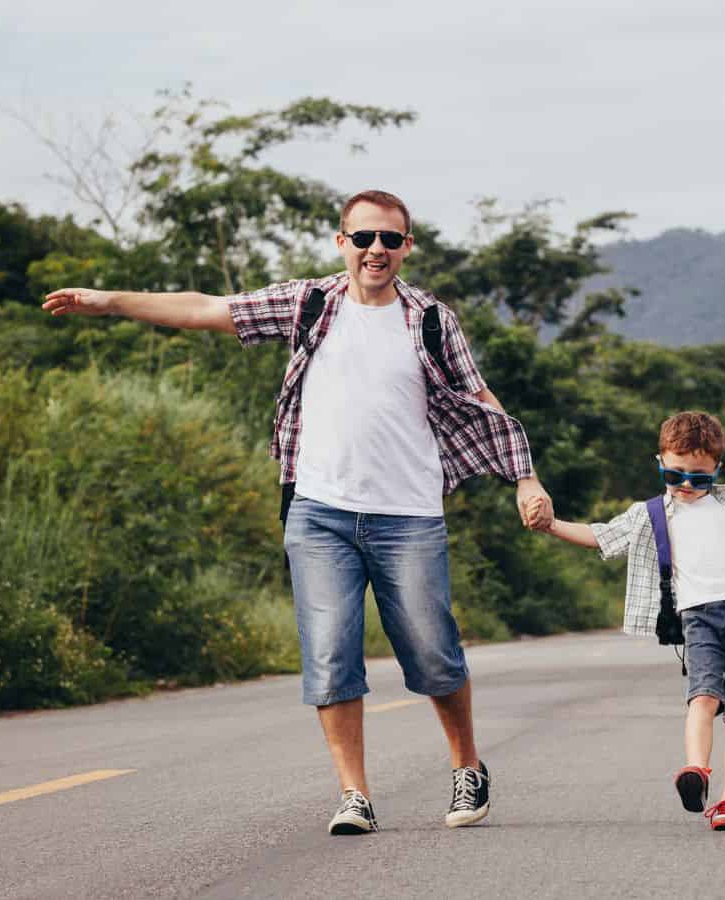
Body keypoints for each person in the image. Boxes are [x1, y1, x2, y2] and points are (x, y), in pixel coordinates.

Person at [42, 189, 555, 835]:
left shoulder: (429, 318)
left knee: (432, 653)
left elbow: (478, 397)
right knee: (330, 655)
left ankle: (466, 766)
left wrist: (524, 477)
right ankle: (354, 794)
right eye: (364, 238)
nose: (376, 251)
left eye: (390, 241)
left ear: (406, 247)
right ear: (342, 242)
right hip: (318, 514)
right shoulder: (309, 304)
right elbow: (205, 309)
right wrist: (107, 300)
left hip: (409, 515)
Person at [533, 411, 725, 831]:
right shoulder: (653, 512)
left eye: (700, 478)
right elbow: (602, 536)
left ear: (717, 470)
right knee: (703, 696)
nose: (687, 486)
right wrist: (551, 526)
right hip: (699, 616)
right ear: (660, 462)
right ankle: (696, 770)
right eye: (676, 475)